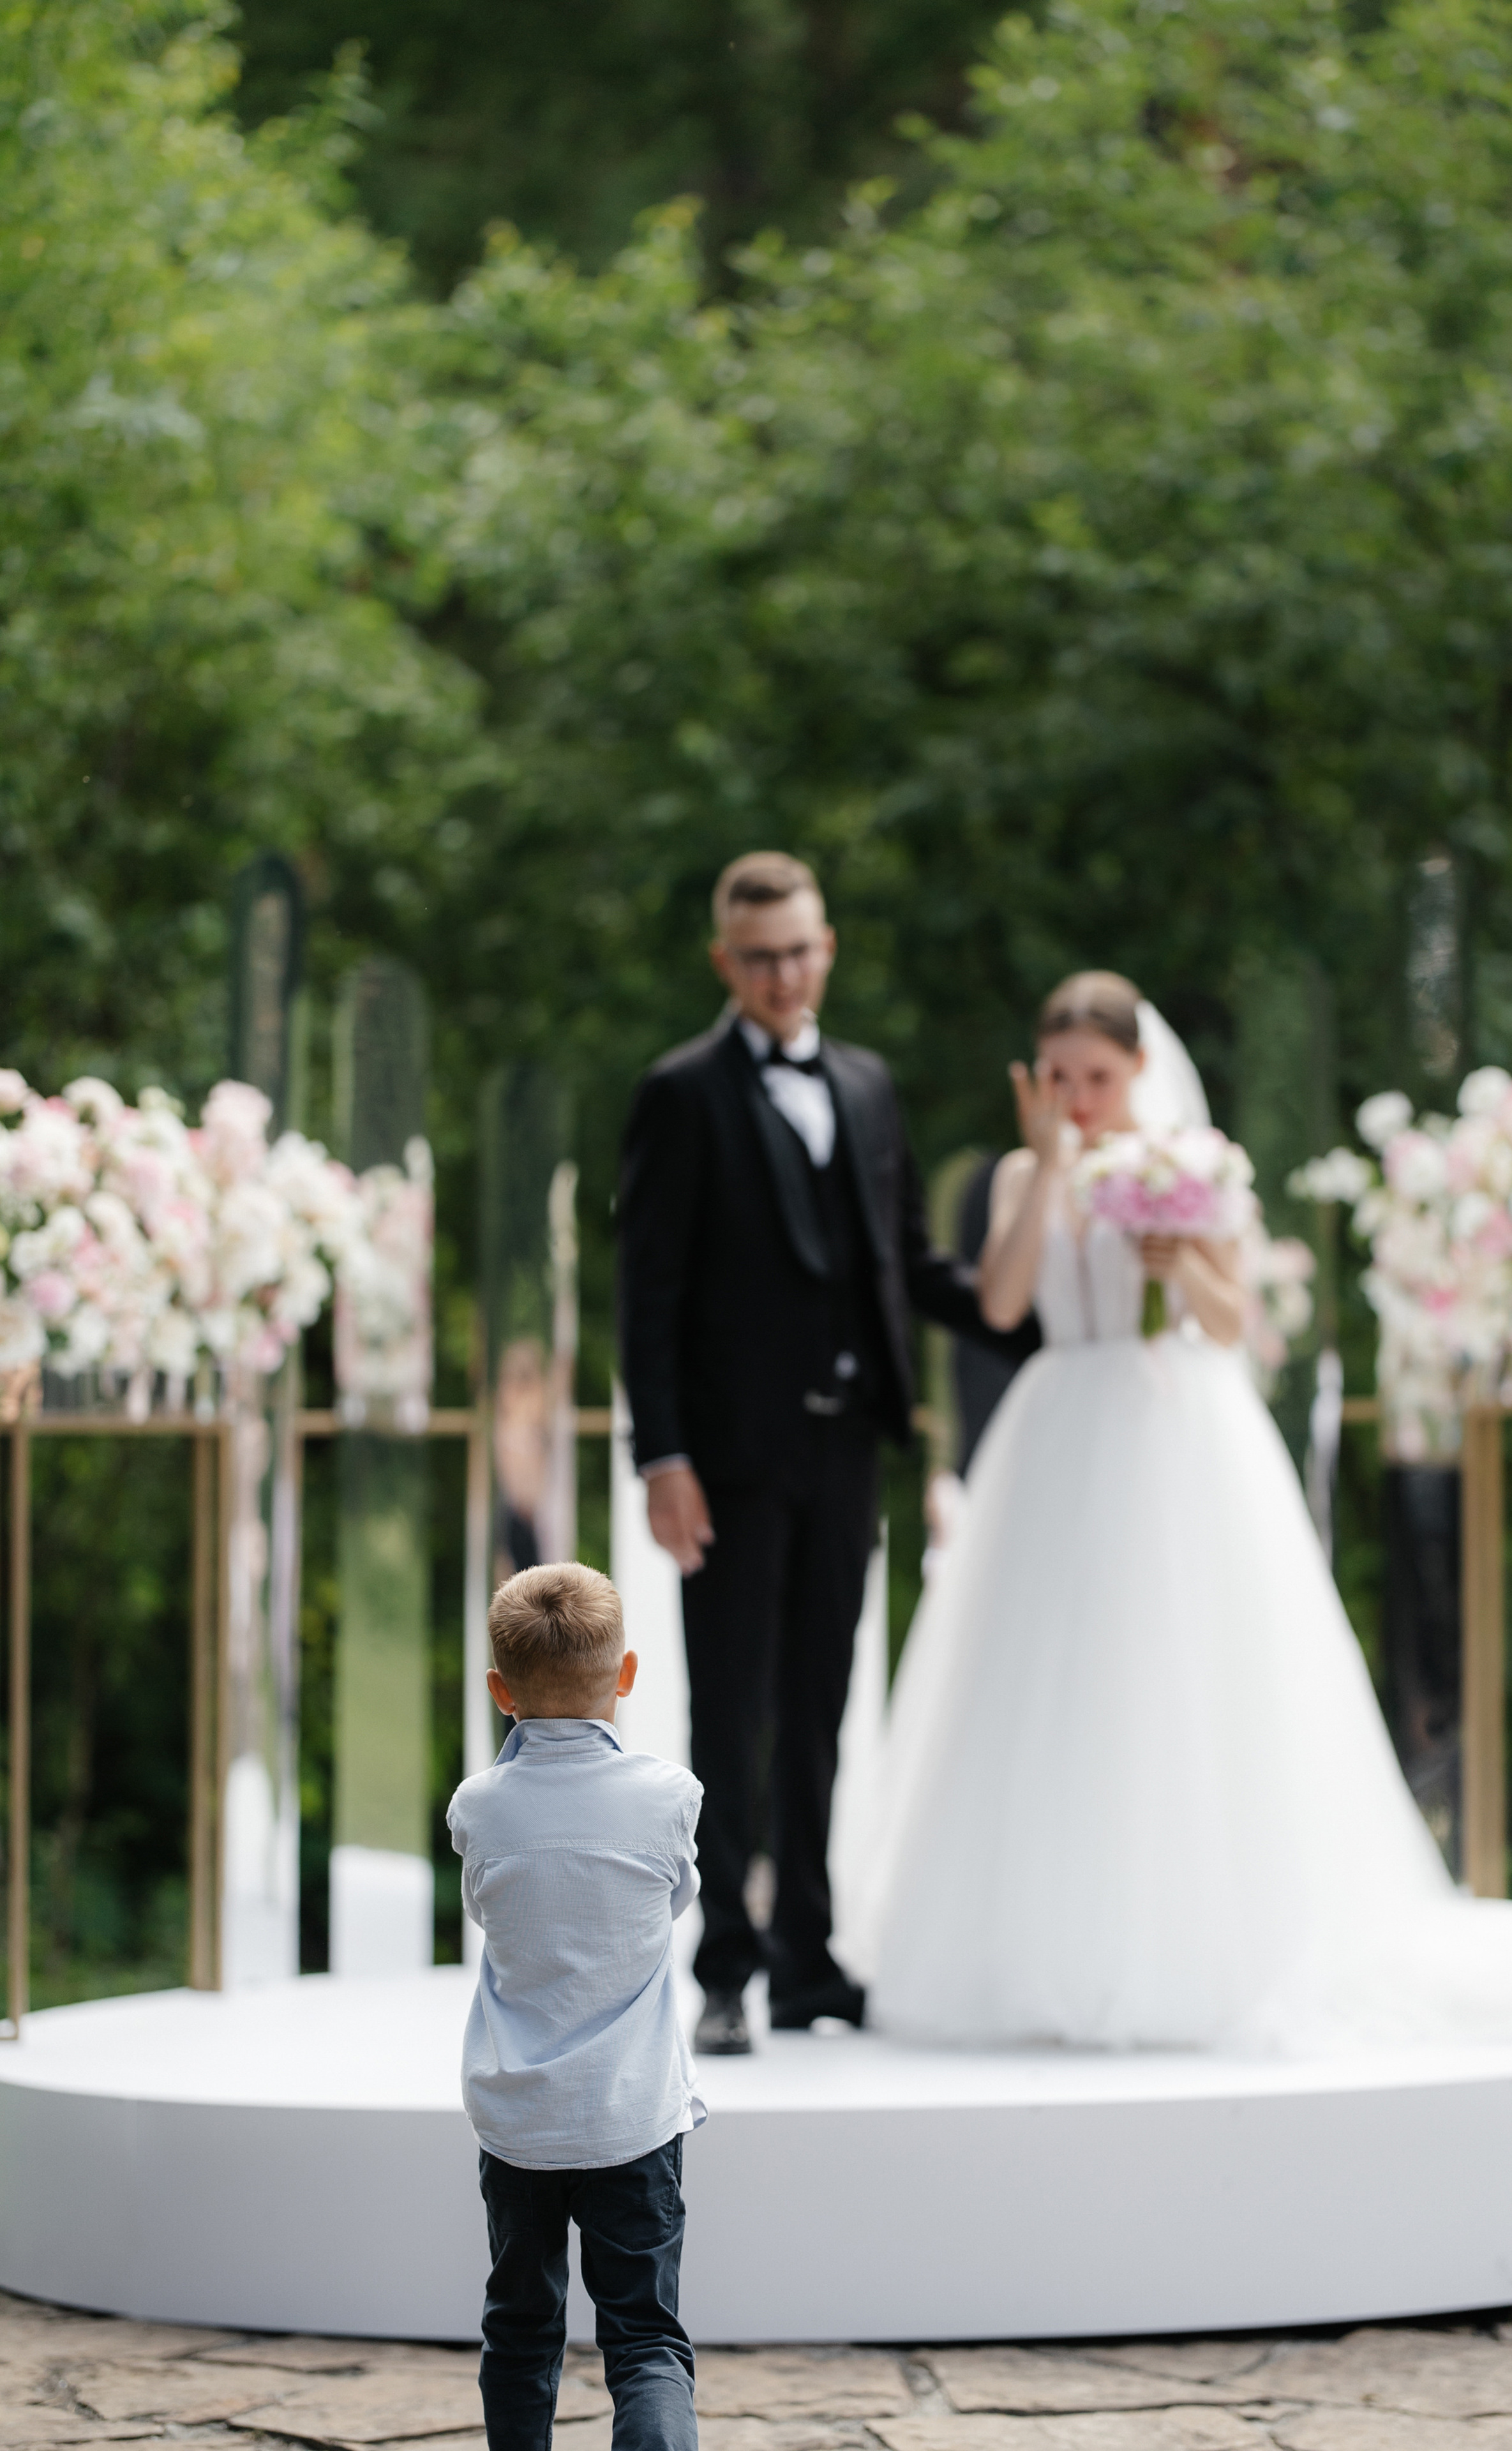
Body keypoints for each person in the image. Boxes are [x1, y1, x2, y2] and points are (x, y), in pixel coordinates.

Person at [841, 968, 1512, 2052]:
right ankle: (1037, 1944)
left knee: (1185, 1667)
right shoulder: (1032, 1169)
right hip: (1059, 1422)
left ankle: (1193, 1943)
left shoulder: (1190, 1168)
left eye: (1098, 1076)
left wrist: (1178, 1260)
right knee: (1047, 1673)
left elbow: (1227, 1320)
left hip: (1173, 1424)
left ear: (1135, 1070)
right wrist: (1046, 1172)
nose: (1079, 1094)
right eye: (1060, 1076)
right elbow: (1002, 1303)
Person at [617, 850, 1037, 2054]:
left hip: (852, 1446)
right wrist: (664, 1457)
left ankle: (807, 1959)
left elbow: (902, 1261)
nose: (783, 974)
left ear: (828, 947)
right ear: (723, 962)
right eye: (758, 957)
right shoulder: (680, 1092)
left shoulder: (865, 1085)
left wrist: (1044, 1319)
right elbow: (648, 1295)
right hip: (730, 1460)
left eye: (799, 951)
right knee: (729, 1710)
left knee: (819, 1707)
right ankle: (723, 1971)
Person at [449, 1563, 702, 2451]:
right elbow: (672, 1902)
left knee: (520, 2329)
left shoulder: (478, 1807)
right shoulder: (672, 1799)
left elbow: (490, 1909)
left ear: (499, 1692)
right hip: (631, 2119)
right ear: (625, 1675)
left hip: (520, 2125)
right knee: (645, 2341)